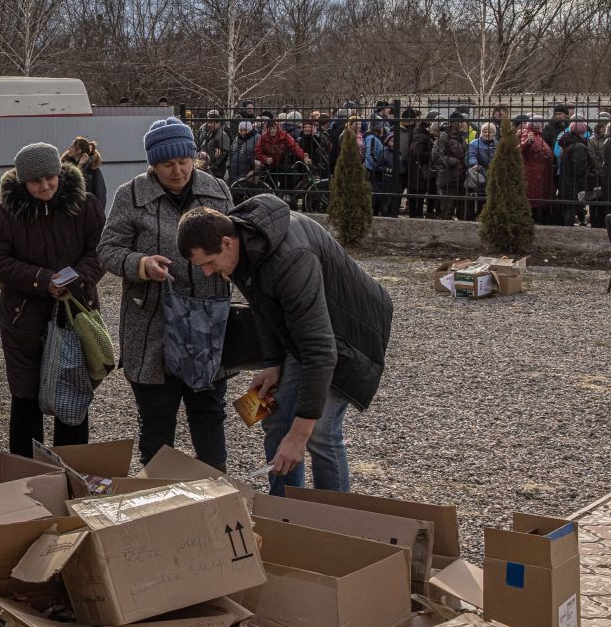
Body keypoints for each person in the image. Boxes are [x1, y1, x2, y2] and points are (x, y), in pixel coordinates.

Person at [178, 196, 392, 495]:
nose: (207, 272)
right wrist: (273, 363)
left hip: (350, 333)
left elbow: (320, 351)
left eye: (209, 263)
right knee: (275, 417)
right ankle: (285, 513)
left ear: (226, 243)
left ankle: (336, 525)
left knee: (319, 432)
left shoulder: (290, 259)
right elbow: (262, 309)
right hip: (304, 331)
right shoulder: (241, 248)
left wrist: (299, 436)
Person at [97, 118, 233, 469]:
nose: (178, 171)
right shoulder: (131, 195)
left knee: (208, 419)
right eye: (167, 164)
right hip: (151, 327)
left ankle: (217, 501)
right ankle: (157, 509)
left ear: (193, 157)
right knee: (156, 429)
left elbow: (235, 248)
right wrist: (140, 264)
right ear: (153, 165)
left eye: (184, 161)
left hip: (207, 328)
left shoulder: (217, 191)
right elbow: (108, 249)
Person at [0, 143, 105, 457]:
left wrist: (75, 279)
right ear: (23, 182)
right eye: (36, 181)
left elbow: (100, 250)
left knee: (74, 390)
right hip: (24, 319)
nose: (45, 186)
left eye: (50, 177)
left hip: (76, 312)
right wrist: (41, 279)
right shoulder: (5, 212)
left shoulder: (85, 204)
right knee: (25, 397)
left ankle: (72, 470)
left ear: (60, 173)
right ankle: (25, 471)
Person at [555, 116, 594, 227]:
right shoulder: (579, 147)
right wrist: (584, 185)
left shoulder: (568, 143)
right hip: (574, 184)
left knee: (569, 206)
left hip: (566, 182)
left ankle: (568, 226)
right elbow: (580, 169)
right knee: (571, 208)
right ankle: (568, 230)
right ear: (582, 132)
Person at [516, 115, 555, 223]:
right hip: (533, 177)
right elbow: (519, 149)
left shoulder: (538, 136)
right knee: (532, 206)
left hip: (539, 178)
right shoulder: (528, 134)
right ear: (540, 126)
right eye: (543, 124)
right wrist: (527, 143)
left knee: (537, 206)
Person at [435, 112, 472, 220]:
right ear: (452, 123)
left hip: (461, 178)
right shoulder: (444, 136)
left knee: (463, 212)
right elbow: (436, 156)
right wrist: (455, 161)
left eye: (463, 122)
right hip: (448, 178)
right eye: (459, 122)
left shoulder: (461, 137)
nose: (462, 124)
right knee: (447, 211)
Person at [364, 121, 402, 218]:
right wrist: (385, 169)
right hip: (384, 179)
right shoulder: (380, 147)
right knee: (383, 200)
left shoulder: (398, 153)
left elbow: (402, 166)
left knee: (394, 200)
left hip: (395, 181)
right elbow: (370, 157)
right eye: (391, 140)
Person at [403, 109, 435, 219]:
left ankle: (416, 215)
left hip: (418, 171)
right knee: (417, 197)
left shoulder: (422, 134)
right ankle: (416, 216)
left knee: (417, 196)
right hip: (418, 171)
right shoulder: (421, 136)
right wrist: (432, 155)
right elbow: (418, 153)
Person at [63, 136, 108, 212]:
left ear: (79, 150)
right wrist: (79, 166)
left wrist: (98, 215)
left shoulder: (93, 170)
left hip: (87, 213)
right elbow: (65, 186)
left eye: (72, 147)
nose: (68, 149)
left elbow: (100, 195)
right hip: (69, 212)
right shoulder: (64, 168)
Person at [466, 122, 498, 217]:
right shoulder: (475, 143)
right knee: (481, 196)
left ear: (494, 133)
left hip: (495, 174)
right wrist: (475, 164)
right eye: (484, 131)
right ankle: (479, 215)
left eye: (490, 132)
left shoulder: (497, 143)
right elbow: (471, 155)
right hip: (481, 172)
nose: (487, 133)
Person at [227, 119, 261, 193]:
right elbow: (231, 152)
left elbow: (259, 154)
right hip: (234, 172)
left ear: (250, 129)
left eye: (245, 130)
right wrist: (228, 165)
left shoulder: (258, 138)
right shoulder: (236, 139)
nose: (242, 132)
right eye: (241, 130)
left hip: (249, 172)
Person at [198, 111, 234, 180]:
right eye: (208, 122)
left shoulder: (222, 136)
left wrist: (212, 166)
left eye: (211, 122)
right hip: (207, 169)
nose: (209, 124)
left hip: (216, 172)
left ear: (218, 123)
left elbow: (223, 154)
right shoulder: (210, 133)